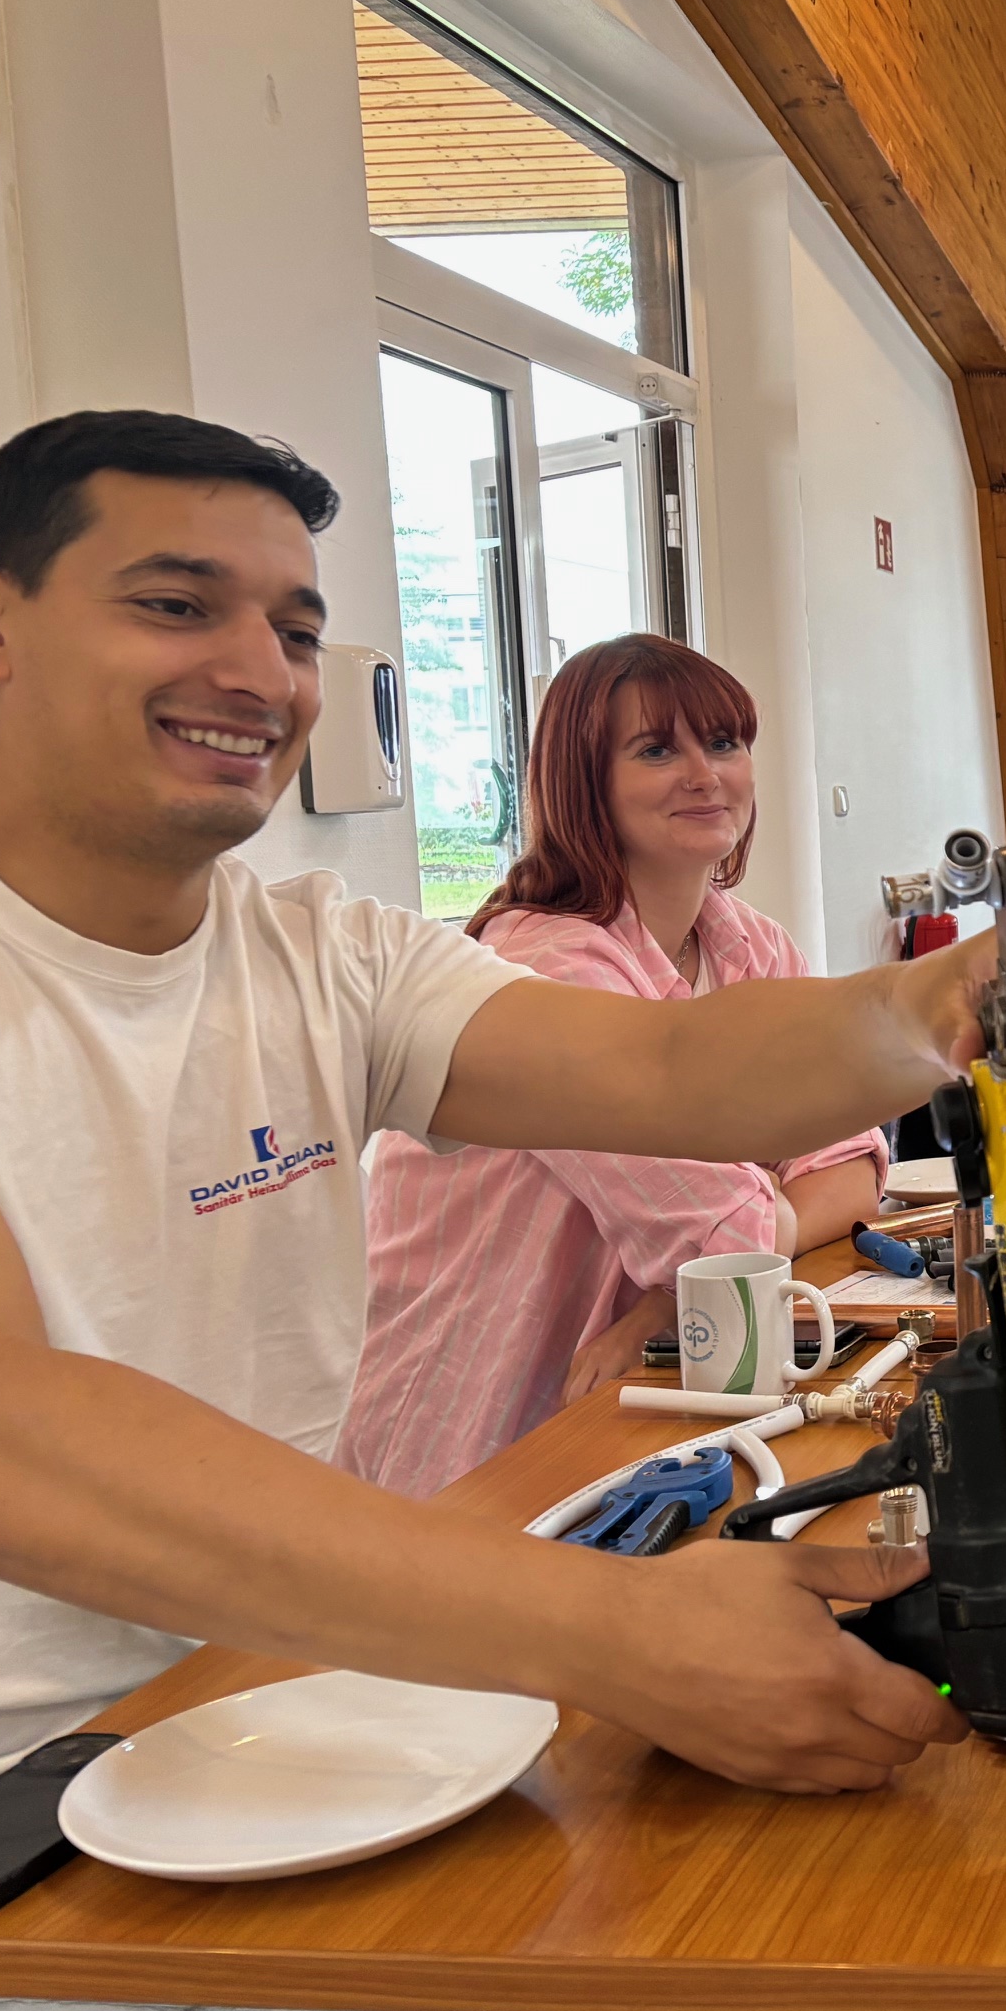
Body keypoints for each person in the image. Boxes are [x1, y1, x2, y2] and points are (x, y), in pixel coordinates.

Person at [0, 410, 1006, 1816]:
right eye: (173, 605)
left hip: (295, 1693)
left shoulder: (329, 955)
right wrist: (617, 1627)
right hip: (4, 1795)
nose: (254, 672)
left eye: (291, 629)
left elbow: (667, 1075)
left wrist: (939, 1001)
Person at [341, 636, 892, 1498]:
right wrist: (711, 1256)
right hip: (479, 1415)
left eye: (723, 743)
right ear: (582, 782)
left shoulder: (749, 943)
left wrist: (665, 1301)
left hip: (639, 1388)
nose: (705, 775)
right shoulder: (546, 963)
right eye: (655, 750)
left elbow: (851, 1165)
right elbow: (722, 1234)